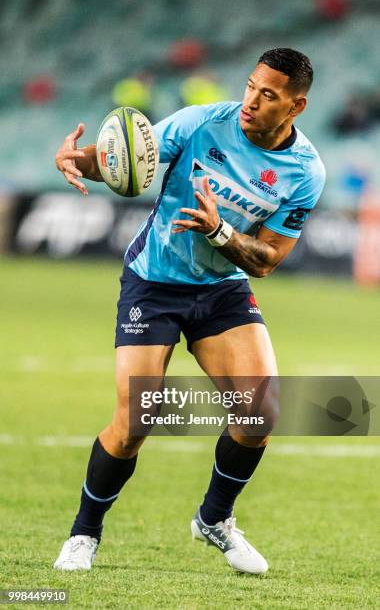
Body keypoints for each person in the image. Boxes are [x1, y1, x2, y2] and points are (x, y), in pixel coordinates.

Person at [53, 48, 325, 574]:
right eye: (250, 86)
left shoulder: (304, 172)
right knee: (136, 420)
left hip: (222, 289)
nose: (251, 100)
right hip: (154, 281)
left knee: (261, 416)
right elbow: (130, 157)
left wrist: (220, 231)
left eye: (268, 95)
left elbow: (267, 259)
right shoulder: (202, 122)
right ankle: (83, 533)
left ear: (296, 106)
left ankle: (214, 520)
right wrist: (76, 158)